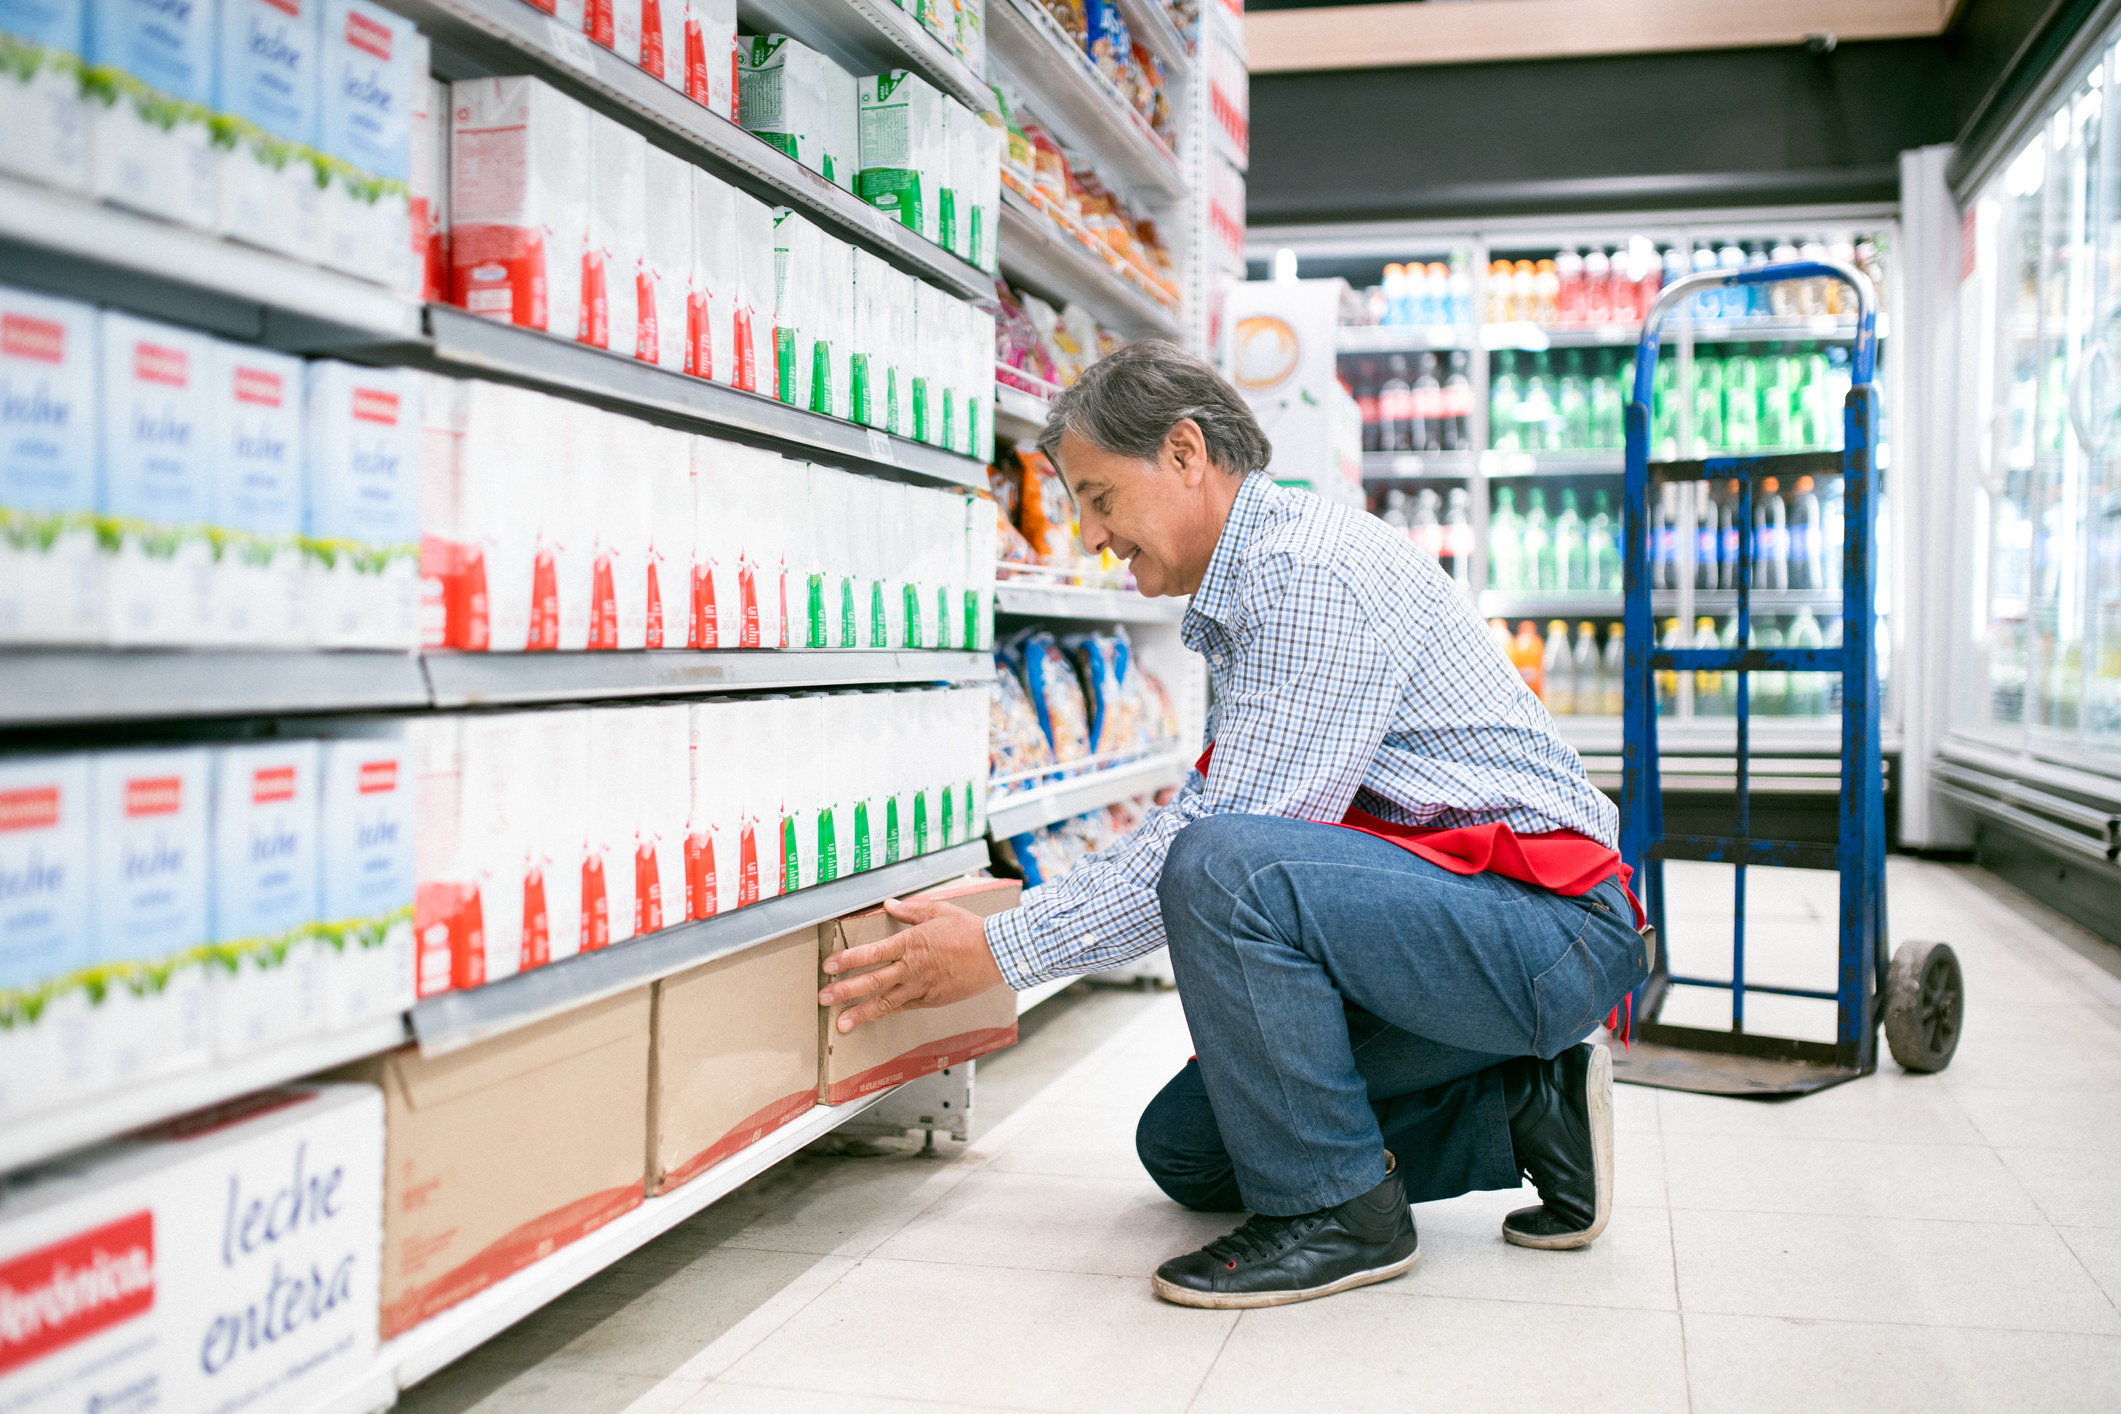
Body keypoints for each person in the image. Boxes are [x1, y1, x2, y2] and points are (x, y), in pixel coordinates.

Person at [818, 339, 1651, 1310]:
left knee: (1224, 867)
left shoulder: (1306, 574)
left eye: (1097, 496)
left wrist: (1003, 949)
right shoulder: (1265, 579)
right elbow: (1211, 825)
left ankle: (1344, 1216)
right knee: (1192, 1147)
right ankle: (1528, 1111)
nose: (1091, 535)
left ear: (1183, 453)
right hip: (1470, 927)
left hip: (1544, 928)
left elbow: (1221, 849)